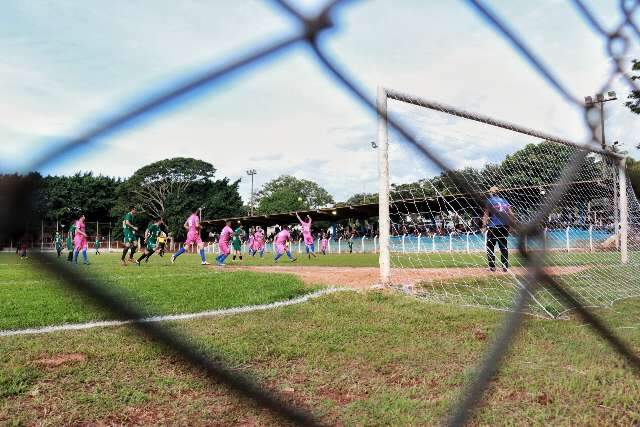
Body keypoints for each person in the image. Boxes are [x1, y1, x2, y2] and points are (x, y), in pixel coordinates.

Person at [482, 186, 513, 272]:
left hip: (494, 227)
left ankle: (492, 267)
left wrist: (484, 226)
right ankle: (505, 266)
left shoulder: (490, 201)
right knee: (503, 246)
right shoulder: (505, 201)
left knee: (490, 246)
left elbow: (486, 214)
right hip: (504, 226)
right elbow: (511, 214)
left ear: (491, 193)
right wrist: (511, 226)